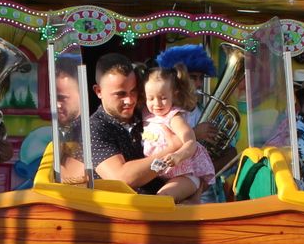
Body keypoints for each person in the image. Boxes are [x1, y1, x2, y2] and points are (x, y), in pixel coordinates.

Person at [141, 64, 214, 203]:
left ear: (173, 94)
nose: (157, 104)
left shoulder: (174, 117)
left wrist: (178, 156)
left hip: (186, 175)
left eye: (163, 98)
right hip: (162, 175)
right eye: (151, 98)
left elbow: (190, 141)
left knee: (162, 199)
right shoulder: (147, 114)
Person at [89, 53, 162, 191]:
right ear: (99, 91)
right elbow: (122, 179)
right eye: (120, 94)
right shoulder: (92, 128)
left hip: (168, 206)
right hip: (122, 211)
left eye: (133, 91)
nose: (129, 100)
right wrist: (174, 151)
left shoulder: (149, 114)